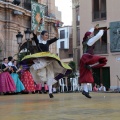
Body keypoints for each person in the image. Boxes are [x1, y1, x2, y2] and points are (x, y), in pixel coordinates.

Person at [21, 18, 72, 98]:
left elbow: (57, 37)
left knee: (50, 74)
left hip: (49, 59)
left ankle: (50, 92)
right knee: (43, 75)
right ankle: (33, 67)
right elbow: (34, 32)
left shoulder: (47, 42)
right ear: (42, 35)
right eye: (46, 35)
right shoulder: (38, 41)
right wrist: (38, 24)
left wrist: (56, 29)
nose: (47, 36)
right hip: (41, 59)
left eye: (48, 35)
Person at [79, 24, 107, 98]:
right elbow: (98, 36)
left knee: (86, 74)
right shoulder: (89, 41)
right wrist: (101, 31)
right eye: (90, 35)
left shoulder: (84, 41)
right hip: (87, 57)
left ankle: (85, 91)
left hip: (84, 58)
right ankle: (91, 65)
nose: (91, 35)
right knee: (101, 60)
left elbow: (89, 32)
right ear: (88, 36)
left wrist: (93, 28)